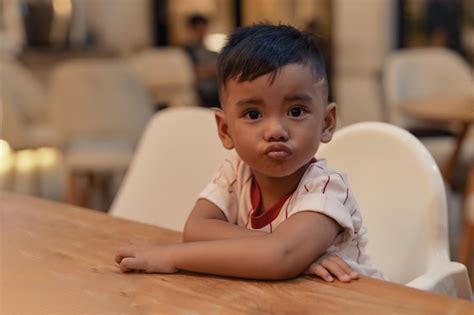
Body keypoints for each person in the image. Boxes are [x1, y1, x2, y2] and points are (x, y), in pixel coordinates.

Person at [115, 24, 383, 281]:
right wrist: (295, 255)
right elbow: (196, 229)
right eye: (253, 114)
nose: (276, 130)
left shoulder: (327, 188)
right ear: (225, 130)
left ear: (326, 123)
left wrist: (173, 256)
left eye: (296, 111)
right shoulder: (236, 171)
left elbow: (279, 257)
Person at [183, 14, 220, 108]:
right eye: (198, 29)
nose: (201, 32)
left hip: (216, 92)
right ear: (191, 30)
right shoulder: (185, 51)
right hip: (200, 94)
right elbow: (189, 72)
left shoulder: (211, 52)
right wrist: (211, 70)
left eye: (203, 29)